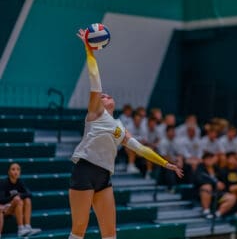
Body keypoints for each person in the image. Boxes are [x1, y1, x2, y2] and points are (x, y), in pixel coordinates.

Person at [69, 29, 183, 239]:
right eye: (102, 96)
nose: (105, 95)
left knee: (110, 233)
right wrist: (89, 51)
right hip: (84, 170)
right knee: (79, 230)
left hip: (104, 176)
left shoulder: (119, 126)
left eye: (106, 95)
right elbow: (95, 80)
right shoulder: (94, 113)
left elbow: (141, 149)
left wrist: (165, 163)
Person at [0, 163, 41, 237]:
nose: (16, 171)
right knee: (18, 200)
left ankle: (27, 227)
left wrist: (18, 196)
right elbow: (1, 200)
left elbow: (29, 194)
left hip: (14, 206)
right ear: (9, 172)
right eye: (13, 169)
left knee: (27, 200)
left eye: (18, 169)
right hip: (4, 208)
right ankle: (21, 229)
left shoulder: (20, 182)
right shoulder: (3, 182)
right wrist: (13, 198)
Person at [194, 153, 236, 219]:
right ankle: (206, 211)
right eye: (207, 159)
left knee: (232, 197)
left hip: (217, 193)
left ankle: (217, 214)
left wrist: (222, 185)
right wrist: (215, 184)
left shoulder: (217, 169)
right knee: (207, 186)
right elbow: (198, 180)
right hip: (203, 194)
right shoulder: (200, 168)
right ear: (203, 160)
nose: (209, 160)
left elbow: (224, 181)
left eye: (211, 158)